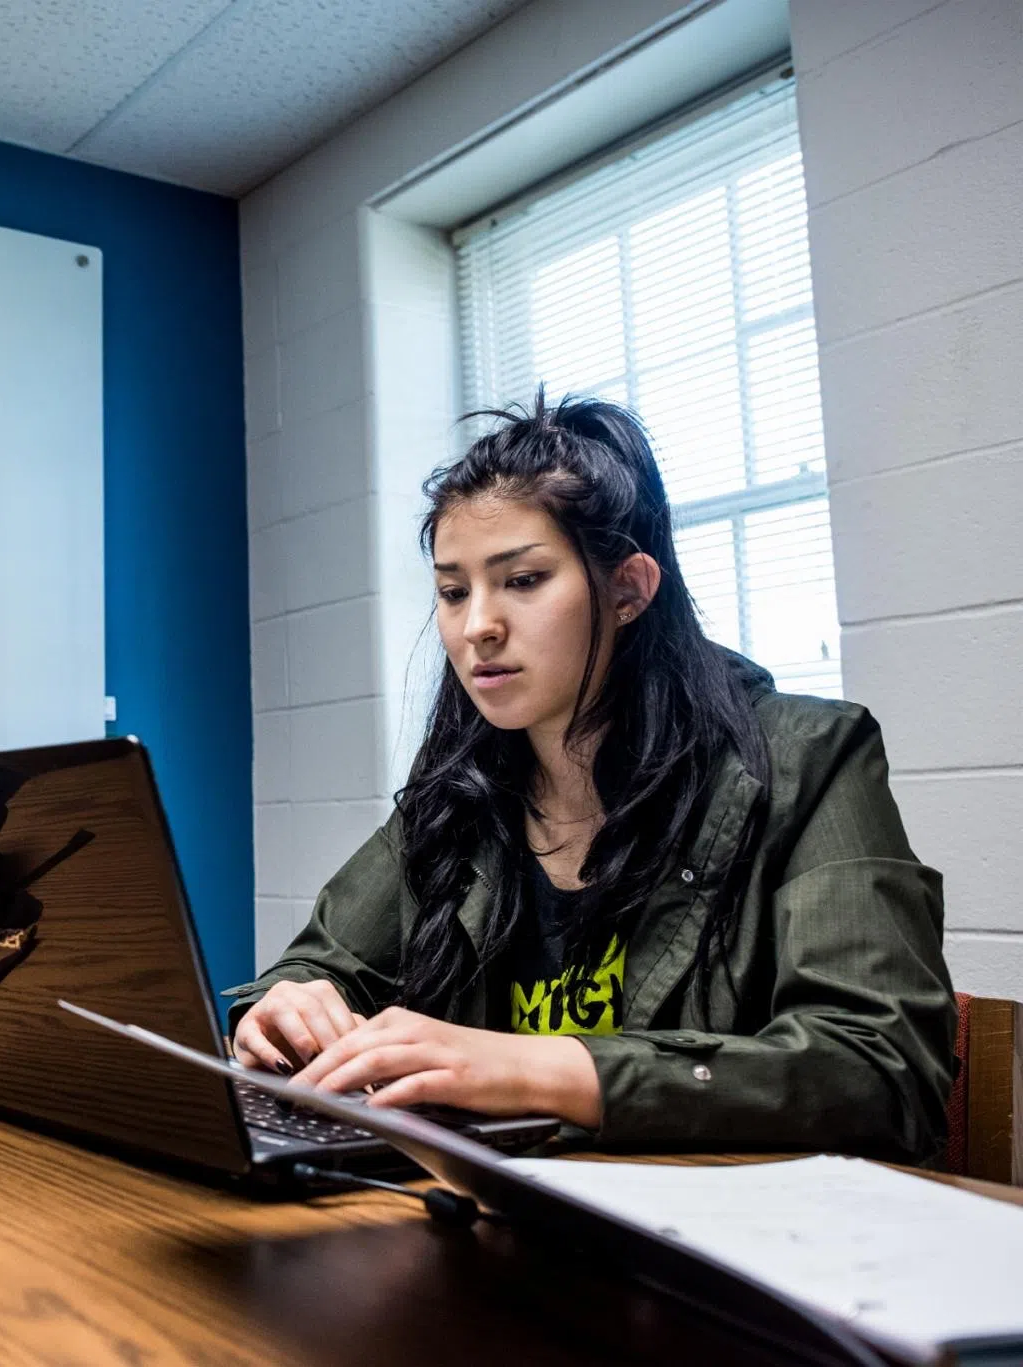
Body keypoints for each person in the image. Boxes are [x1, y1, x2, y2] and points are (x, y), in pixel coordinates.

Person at [225, 395, 955, 1163]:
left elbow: (880, 1070)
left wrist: (542, 1068)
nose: (477, 626)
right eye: (452, 591)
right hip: (499, 1219)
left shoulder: (810, 757)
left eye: (525, 579)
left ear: (630, 589)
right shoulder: (461, 792)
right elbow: (323, 965)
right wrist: (290, 1003)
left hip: (718, 1241)